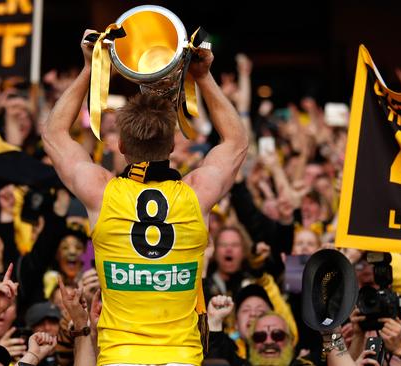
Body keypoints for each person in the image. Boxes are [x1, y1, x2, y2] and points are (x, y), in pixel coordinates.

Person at [42, 29, 248, 365]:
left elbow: (53, 134)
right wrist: (203, 76)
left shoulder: (101, 192)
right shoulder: (197, 193)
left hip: (120, 355)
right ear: (171, 146)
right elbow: (237, 141)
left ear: (121, 147)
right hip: (181, 355)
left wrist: (90, 69)